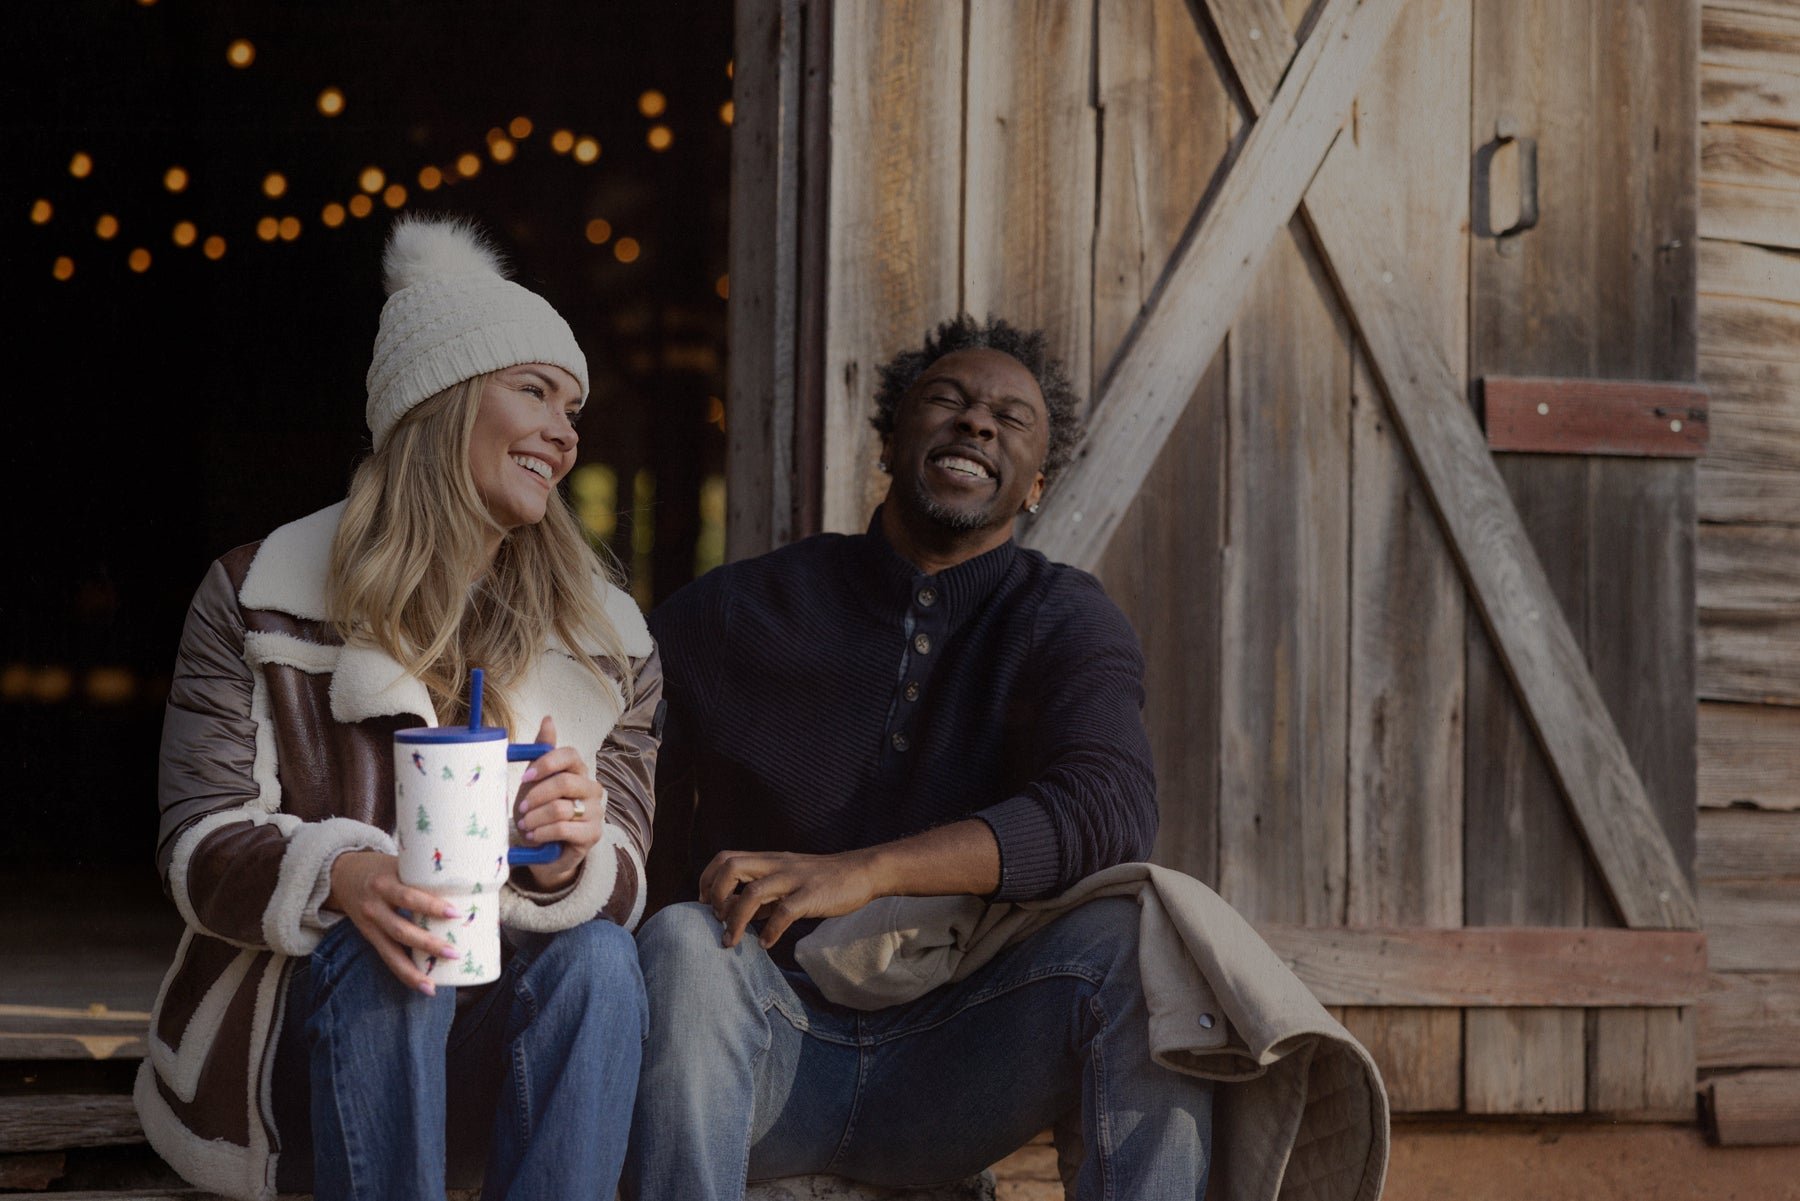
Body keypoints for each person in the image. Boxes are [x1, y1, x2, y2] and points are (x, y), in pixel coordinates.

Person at [625, 315, 1214, 1199]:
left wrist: (866, 871)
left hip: (955, 1061)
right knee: (680, 937)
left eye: (1011, 419)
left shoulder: (1062, 619)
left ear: (1036, 487)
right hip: (758, 1052)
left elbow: (1107, 809)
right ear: (893, 436)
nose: (977, 422)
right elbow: (625, 786)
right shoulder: (737, 611)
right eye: (947, 399)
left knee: (1146, 939)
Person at [135, 216, 660, 1201]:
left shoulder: (609, 637)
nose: (566, 429)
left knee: (596, 958)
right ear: (442, 400)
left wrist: (576, 845)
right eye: (536, 390)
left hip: (492, 1041)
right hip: (293, 1037)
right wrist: (349, 872)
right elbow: (197, 846)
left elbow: (625, 876)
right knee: (395, 957)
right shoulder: (262, 592)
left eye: (574, 405)